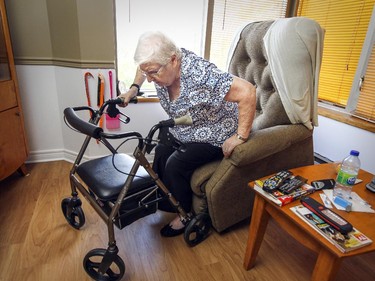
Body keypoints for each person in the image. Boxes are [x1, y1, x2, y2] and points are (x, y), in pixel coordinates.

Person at [119, 31, 256, 237]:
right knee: (161, 148)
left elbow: (248, 92)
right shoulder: (158, 64)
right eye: (147, 73)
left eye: (154, 73)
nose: (150, 79)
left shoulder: (202, 75)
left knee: (176, 164)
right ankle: (166, 198)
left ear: (173, 60)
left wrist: (240, 136)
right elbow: (145, 66)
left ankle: (184, 213)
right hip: (187, 124)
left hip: (215, 131)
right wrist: (133, 88)